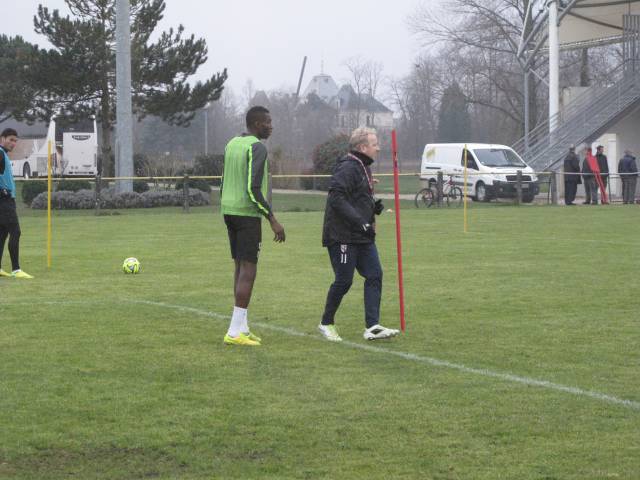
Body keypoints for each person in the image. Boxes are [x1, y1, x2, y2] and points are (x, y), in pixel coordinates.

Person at [319, 127, 399, 342]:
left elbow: (356, 197)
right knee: (344, 281)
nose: (378, 148)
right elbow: (336, 199)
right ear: (363, 147)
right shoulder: (348, 167)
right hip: (342, 235)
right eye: (374, 144)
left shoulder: (363, 167)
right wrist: (360, 221)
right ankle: (326, 323)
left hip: (362, 235)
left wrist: (373, 207)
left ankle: (372, 326)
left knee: (374, 274)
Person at [220, 106, 285, 346]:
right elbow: (252, 188)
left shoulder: (232, 143)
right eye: (268, 122)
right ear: (257, 124)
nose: (271, 126)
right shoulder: (257, 147)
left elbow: (225, 179)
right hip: (246, 214)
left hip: (229, 210)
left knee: (239, 267)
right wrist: (272, 219)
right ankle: (234, 332)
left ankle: (243, 327)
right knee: (249, 270)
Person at [0, 128, 33, 279]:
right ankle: (16, 269)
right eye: (11, 139)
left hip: (6, 200)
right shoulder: (0, 153)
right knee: (16, 231)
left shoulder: (3, 154)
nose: (13, 143)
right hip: (4, 201)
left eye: (15, 141)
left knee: (2, 234)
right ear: (2, 138)